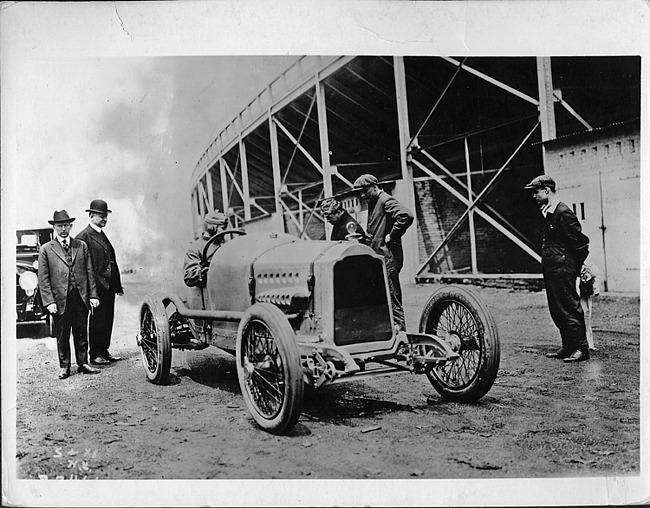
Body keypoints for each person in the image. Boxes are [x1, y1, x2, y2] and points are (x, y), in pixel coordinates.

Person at [524, 175, 590, 362]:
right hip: (553, 269)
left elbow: (581, 244)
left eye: (536, 192)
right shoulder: (550, 211)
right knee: (557, 309)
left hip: (562, 270)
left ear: (547, 190)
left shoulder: (563, 212)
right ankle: (568, 346)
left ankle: (581, 348)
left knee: (569, 307)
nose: (534, 196)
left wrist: (570, 267)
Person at [38, 210, 101, 379]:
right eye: (60, 226)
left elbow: (90, 272)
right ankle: (65, 366)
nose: (63, 229)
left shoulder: (81, 246)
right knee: (62, 334)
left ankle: (83, 363)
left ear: (71, 226)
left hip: (80, 298)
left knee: (81, 331)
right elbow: (43, 280)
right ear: (54, 227)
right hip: (59, 301)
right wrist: (49, 301)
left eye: (66, 225)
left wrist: (93, 296)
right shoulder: (46, 249)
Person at [352, 174, 414, 332]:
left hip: (388, 259)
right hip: (380, 258)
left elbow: (406, 216)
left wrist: (391, 235)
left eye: (364, 191)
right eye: (360, 192)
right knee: (384, 296)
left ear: (374, 187)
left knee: (393, 297)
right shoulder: (374, 201)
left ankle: (402, 335)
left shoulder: (385, 200)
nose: (362, 195)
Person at [76, 199, 124, 365]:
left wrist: (116, 285)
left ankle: (104, 351)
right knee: (97, 321)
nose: (104, 219)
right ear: (91, 216)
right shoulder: (83, 237)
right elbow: (81, 267)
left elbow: (110, 260)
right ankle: (95, 354)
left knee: (107, 319)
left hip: (108, 287)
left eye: (105, 216)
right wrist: (91, 292)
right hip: (96, 288)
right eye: (101, 216)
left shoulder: (101, 234)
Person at [183, 210, 230, 288]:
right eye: (223, 228)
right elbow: (189, 277)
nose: (225, 232)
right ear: (211, 228)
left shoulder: (226, 245)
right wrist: (207, 271)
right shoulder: (195, 249)